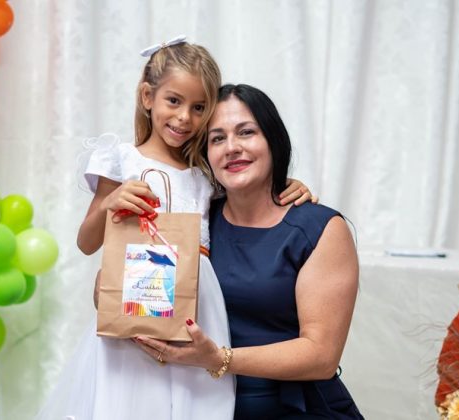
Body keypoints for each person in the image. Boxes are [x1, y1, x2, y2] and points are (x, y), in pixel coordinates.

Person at [36, 40, 314, 419]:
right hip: (137, 290)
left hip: (197, 298)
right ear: (147, 97)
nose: (184, 118)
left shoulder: (205, 172)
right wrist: (110, 202)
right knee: (131, 397)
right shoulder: (120, 159)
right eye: (174, 101)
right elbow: (86, 243)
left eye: (199, 108)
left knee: (192, 395)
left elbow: (249, 191)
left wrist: (287, 185)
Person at [134, 84, 364, 419]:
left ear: (273, 140)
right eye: (217, 138)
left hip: (295, 409)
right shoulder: (196, 222)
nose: (232, 147)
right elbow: (144, 298)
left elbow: (321, 356)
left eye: (246, 132)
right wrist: (109, 288)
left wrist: (219, 359)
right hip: (205, 405)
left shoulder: (319, 229)